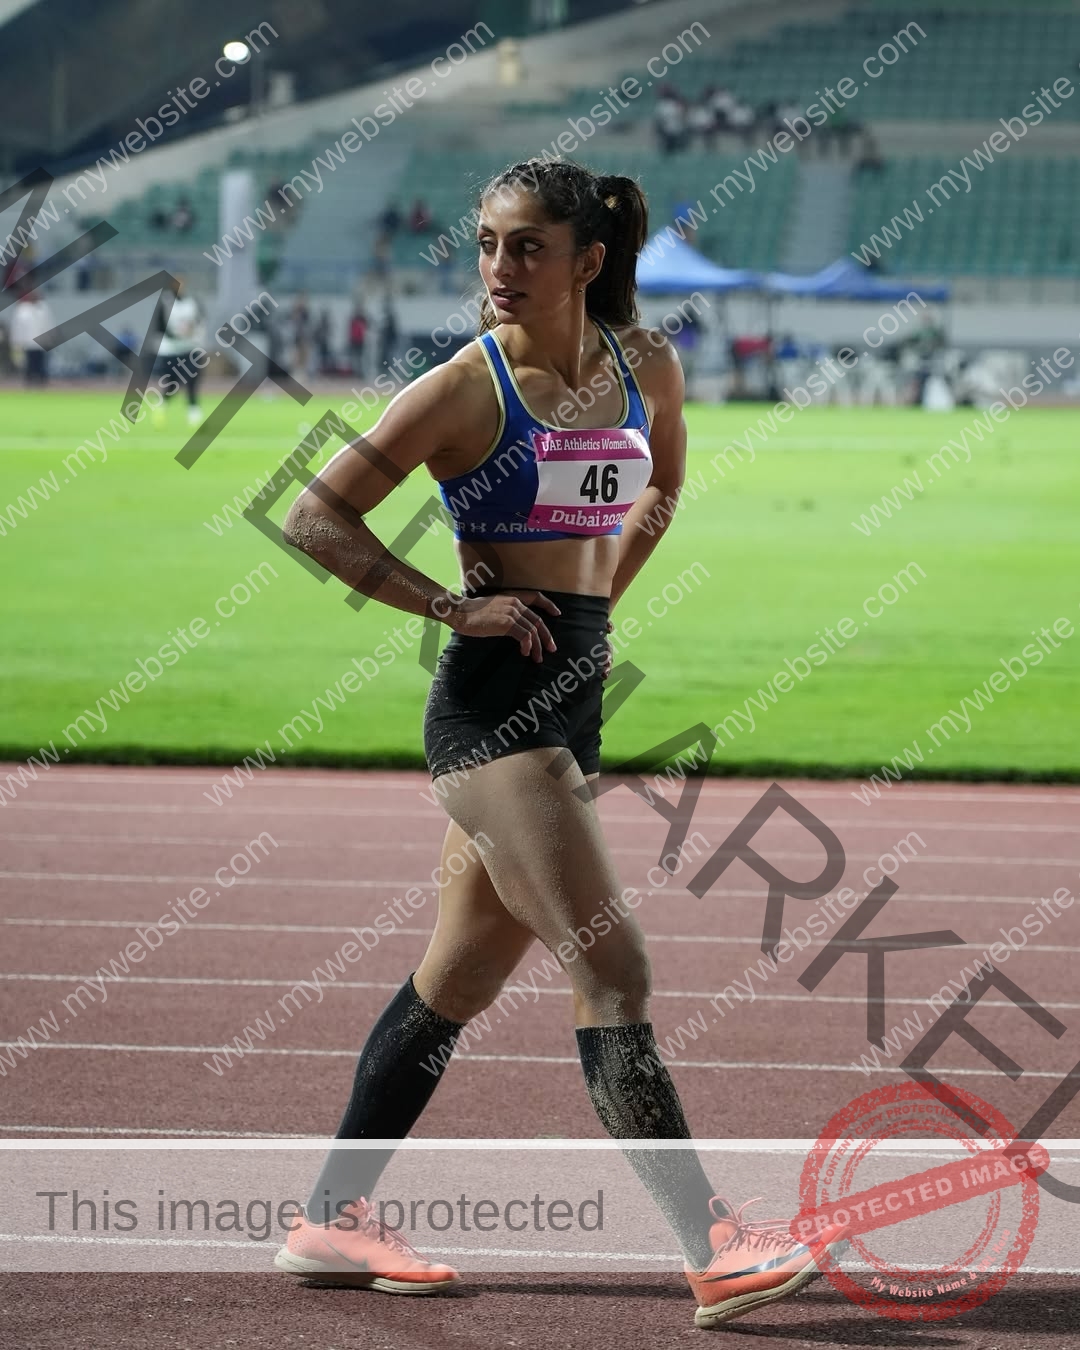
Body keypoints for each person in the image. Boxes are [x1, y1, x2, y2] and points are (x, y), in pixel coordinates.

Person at [273, 156, 847, 1330]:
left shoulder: (646, 366)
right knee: (613, 967)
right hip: (492, 715)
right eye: (487, 243)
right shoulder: (464, 388)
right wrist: (453, 606)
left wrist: (599, 607)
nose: (498, 267)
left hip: (574, 695)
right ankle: (714, 1248)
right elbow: (313, 514)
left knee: (457, 978)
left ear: (588, 260)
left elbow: (663, 488)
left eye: (526, 246)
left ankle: (331, 1219)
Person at [150, 277, 205, 424]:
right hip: (171, 349)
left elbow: (199, 320)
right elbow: (159, 326)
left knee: (193, 377)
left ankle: (193, 410)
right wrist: (177, 334)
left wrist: (193, 332)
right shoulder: (166, 302)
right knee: (172, 383)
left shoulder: (191, 302)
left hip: (189, 347)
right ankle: (162, 405)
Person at [8, 291, 53, 384]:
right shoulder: (22, 310)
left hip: (41, 343)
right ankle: (29, 382)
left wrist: (49, 339)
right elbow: (17, 327)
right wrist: (16, 342)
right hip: (27, 343)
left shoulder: (43, 308)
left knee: (41, 365)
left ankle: (41, 382)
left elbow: (48, 325)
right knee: (28, 365)